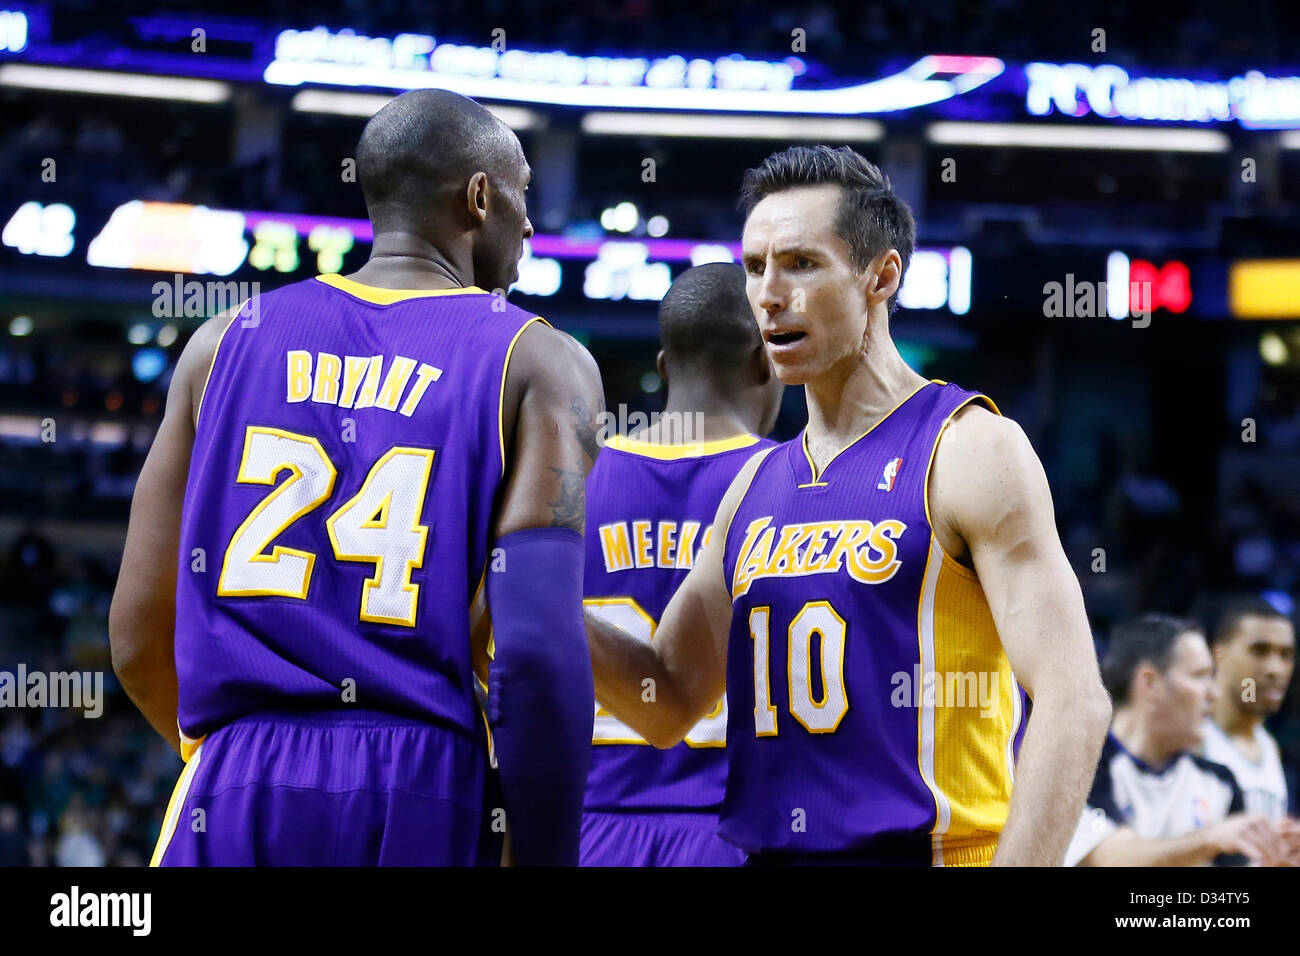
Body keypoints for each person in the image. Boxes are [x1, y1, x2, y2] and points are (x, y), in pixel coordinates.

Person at [109, 90, 603, 866]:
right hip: (424, 783)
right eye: (523, 194)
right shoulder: (540, 360)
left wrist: (238, 758)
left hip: (233, 780)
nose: (532, 224)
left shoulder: (221, 343)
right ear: (479, 198)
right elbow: (537, 654)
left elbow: (138, 635)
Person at [583, 145, 1112, 866]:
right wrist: (538, 595)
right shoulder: (754, 485)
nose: (769, 293)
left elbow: (1073, 701)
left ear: (880, 276)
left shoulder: (970, 449)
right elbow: (668, 698)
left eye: (801, 264)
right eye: (754, 266)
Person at [581, 263, 784, 866]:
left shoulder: (567, 478)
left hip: (587, 828)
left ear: (666, 366)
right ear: (764, 361)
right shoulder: (796, 485)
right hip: (740, 834)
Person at [1065, 614, 1296, 866]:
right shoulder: (1081, 767)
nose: (1214, 693)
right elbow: (1107, 858)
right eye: (1199, 676)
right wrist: (1208, 839)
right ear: (1149, 682)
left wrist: (1278, 860)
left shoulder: (1220, 781)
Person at [1203, 596, 1295, 820]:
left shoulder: (1269, 746)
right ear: (1219, 655)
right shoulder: (1191, 739)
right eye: (1259, 651)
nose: (1275, 669)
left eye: (1286, 655)